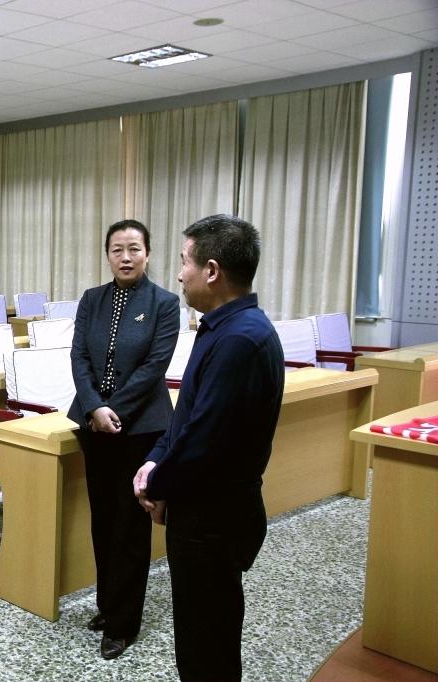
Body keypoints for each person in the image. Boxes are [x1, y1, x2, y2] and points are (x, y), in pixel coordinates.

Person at [133, 214, 284, 682]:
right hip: (201, 508)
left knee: (207, 643)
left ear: (212, 271)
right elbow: (188, 414)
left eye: (185, 262)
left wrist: (156, 484)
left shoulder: (240, 339)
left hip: (212, 519)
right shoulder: (224, 327)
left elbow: (205, 441)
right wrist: (156, 459)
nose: (180, 274)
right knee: (201, 632)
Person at [68, 219, 180, 660]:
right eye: (117, 249)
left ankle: (123, 622)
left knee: (130, 526)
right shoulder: (92, 299)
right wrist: (94, 407)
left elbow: (155, 366)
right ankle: (107, 604)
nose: (126, 257)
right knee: (102, 519)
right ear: (108, 255)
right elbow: (79, 356)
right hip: (93, 427)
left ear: (147, 253)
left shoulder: (164, 303)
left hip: (142, 429)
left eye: (134, 248)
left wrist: (114, 409)